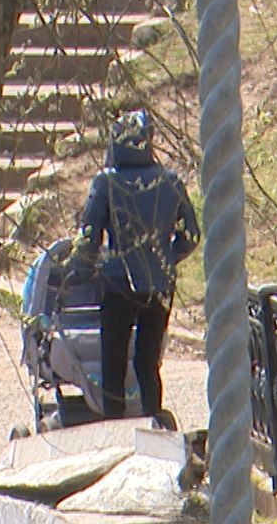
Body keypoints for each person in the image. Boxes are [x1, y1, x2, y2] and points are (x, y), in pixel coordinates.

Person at [64, 110, 200, 428]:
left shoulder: (107, 182)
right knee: (147, 360)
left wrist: (81, 267)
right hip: (159, 284)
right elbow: (191, 234)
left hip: (117, 281)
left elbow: (89, 235)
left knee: (114, 360)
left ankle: (115, 426)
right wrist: (166, 257)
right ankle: (153, 418)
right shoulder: (170, 182)